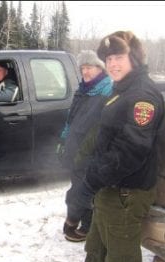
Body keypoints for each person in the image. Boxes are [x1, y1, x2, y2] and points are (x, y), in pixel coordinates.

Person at [71, 31, 165, 262]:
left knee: (120, 261)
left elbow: (131, 151)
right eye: (109, 59)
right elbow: (106, 132)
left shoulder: (142, 95)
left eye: (118, 57)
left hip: (127, 192)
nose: (112, 64)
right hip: (110, 186)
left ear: (133, 57)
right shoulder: (122, 88)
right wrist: (87, 163)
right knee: (95, 251)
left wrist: (93, 178)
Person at [57, 50, 113, 242]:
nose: (85, 72)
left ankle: (87, 225)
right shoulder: (83, 89)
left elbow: (104, 125)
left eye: (89, 67)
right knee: (77, 184)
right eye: (82, 68)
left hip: (92, 150)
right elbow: (70, 120)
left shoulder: (107, 90)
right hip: (75, 147)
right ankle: (80, 219)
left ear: (100, 68)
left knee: (86, 188)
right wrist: (64, 139)